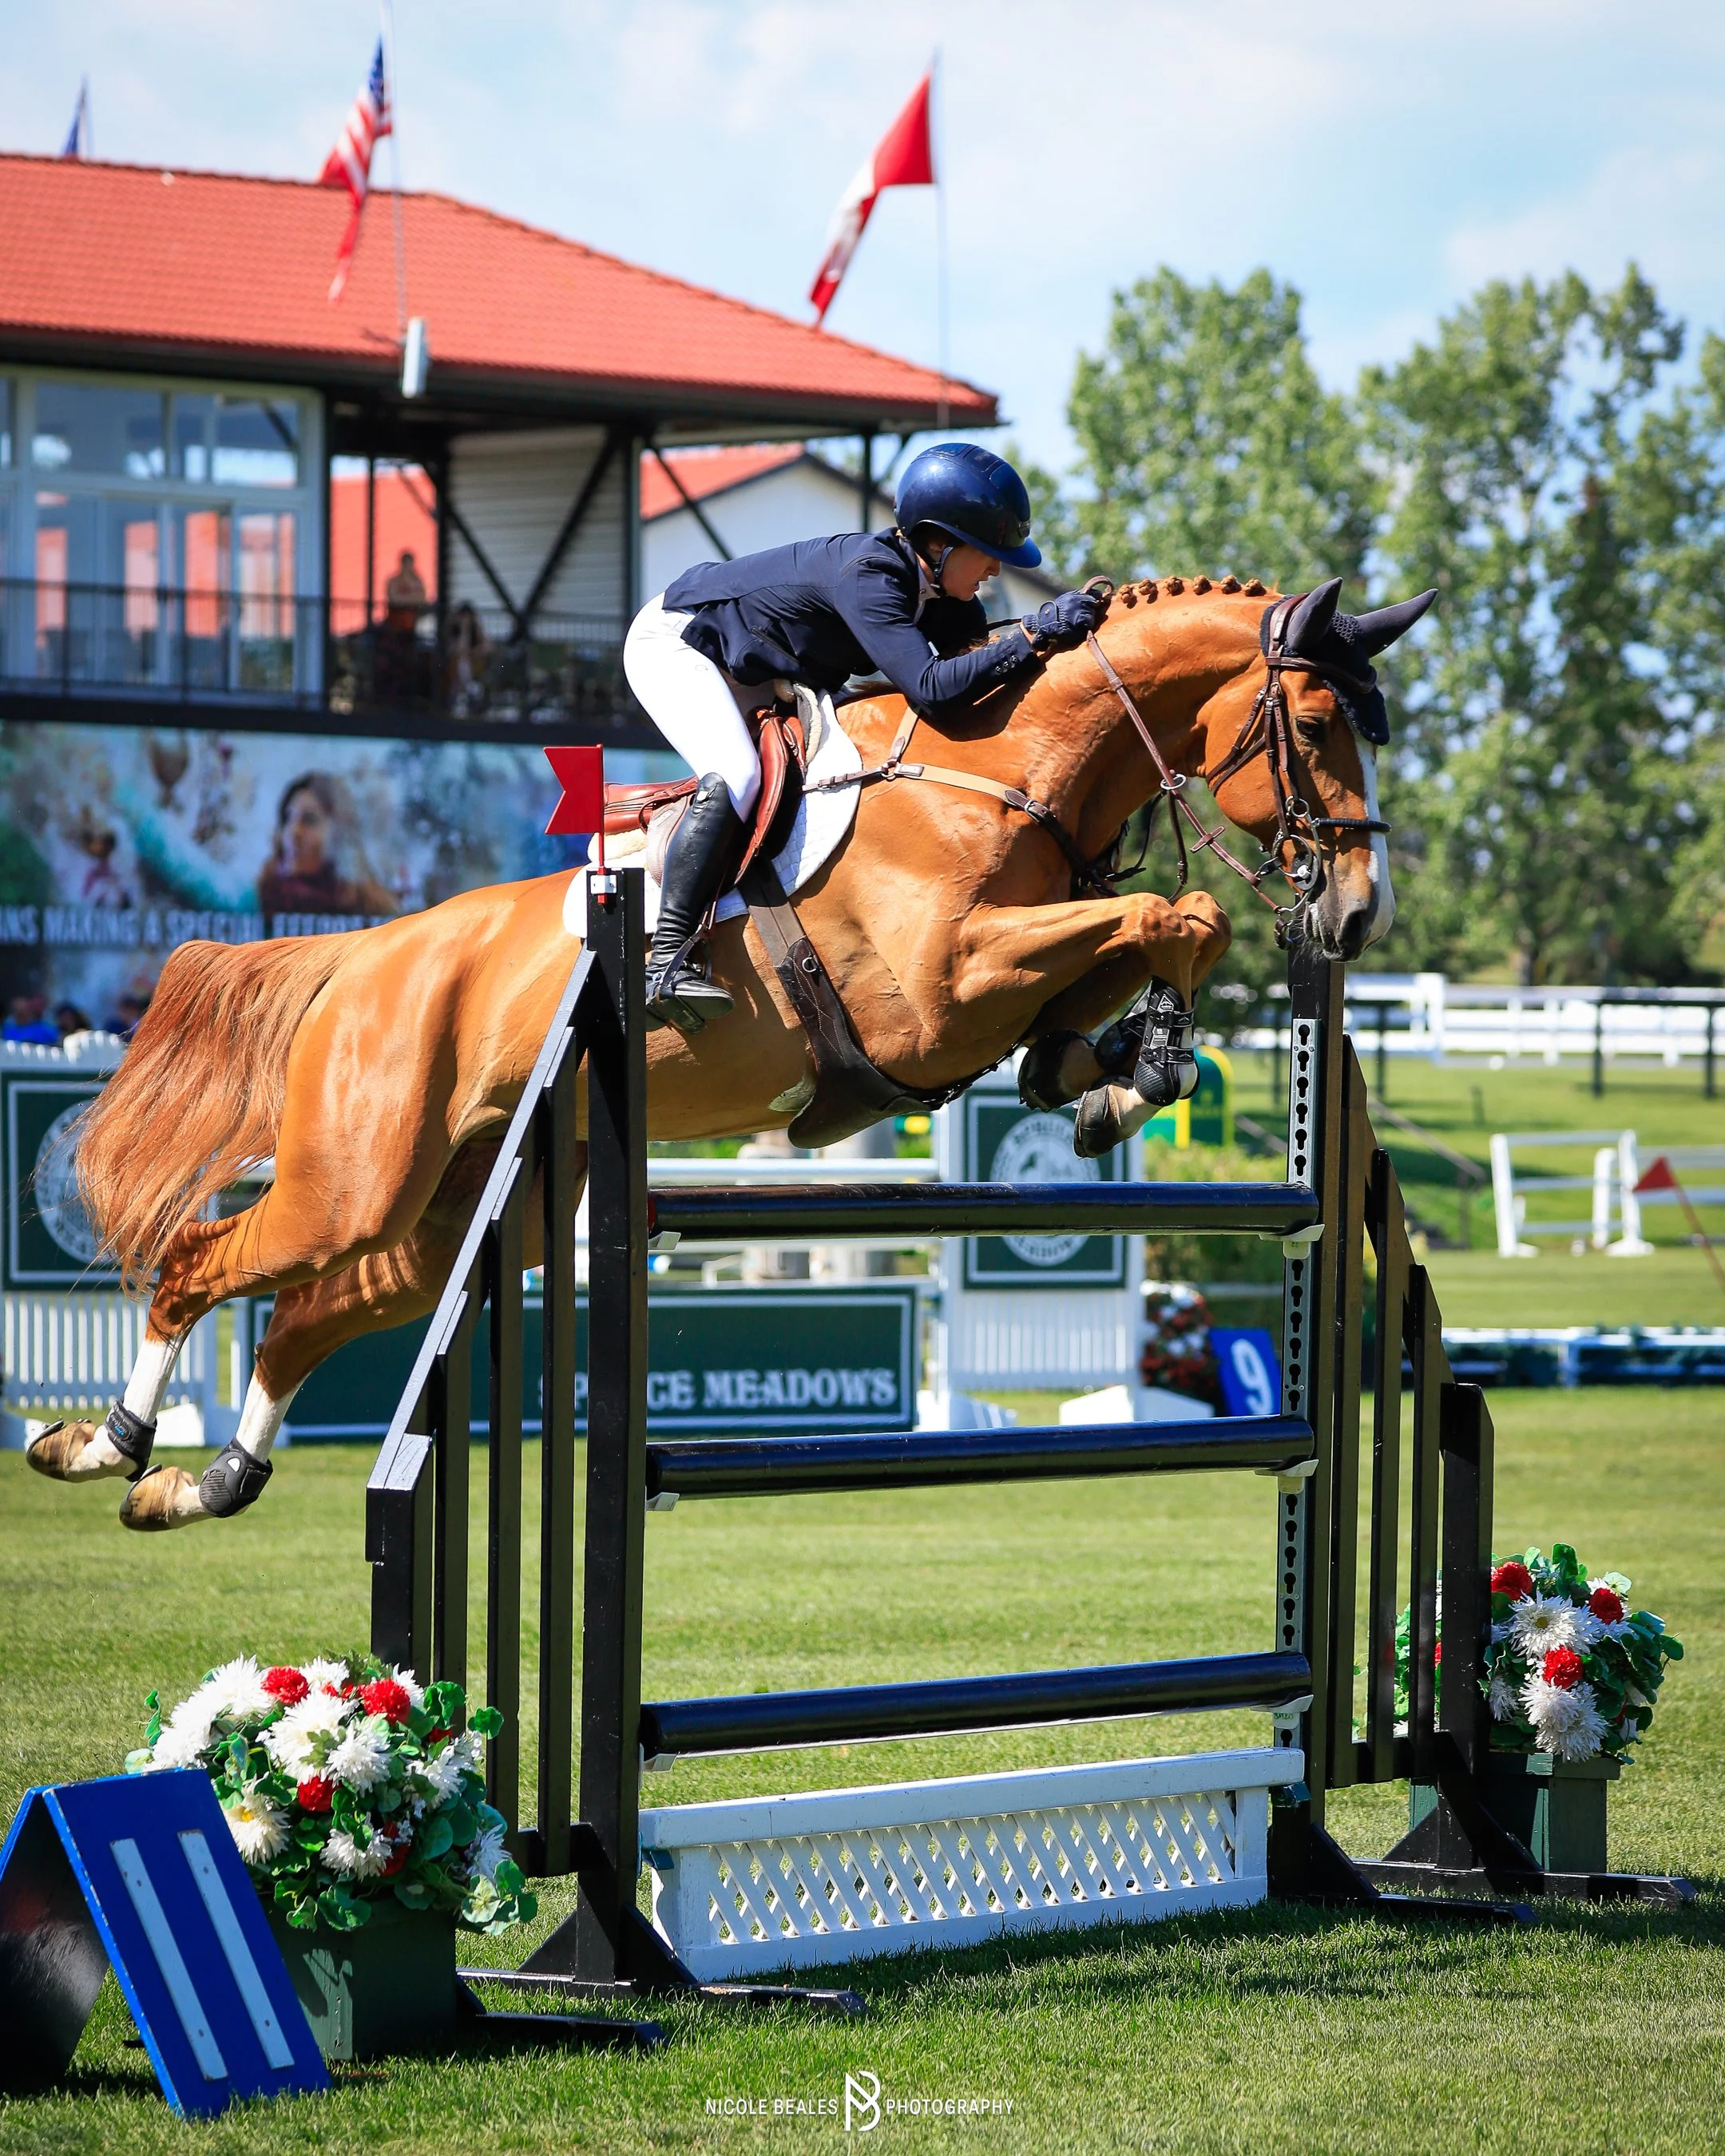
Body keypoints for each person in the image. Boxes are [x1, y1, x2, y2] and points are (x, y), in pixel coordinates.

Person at [621, 442, 1106, 1032]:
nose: (995, 570)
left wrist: (1053, 643)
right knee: (742, 774)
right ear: (938, 543)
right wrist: (1033, 634)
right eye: (984, 554)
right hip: (682, 643)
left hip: (763, 665)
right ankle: (666, 961)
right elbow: (933, 688)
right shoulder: (870, 575)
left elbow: (978, 682)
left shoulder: (949, 603)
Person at [257, 771, 399, 921]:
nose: (293, 832)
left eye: (309, 820)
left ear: (341, 833)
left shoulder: (375, 911)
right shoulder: (257, 899)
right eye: (287, 819)